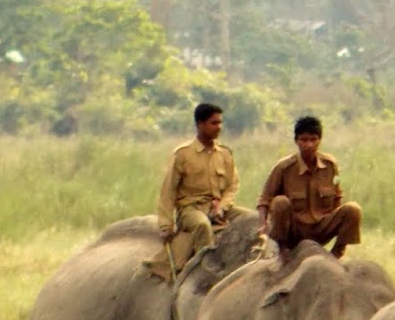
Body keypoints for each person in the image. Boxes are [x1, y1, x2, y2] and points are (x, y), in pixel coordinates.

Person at [147, 102, 239, 281]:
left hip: (219, 207)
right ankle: (208, 269)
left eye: (220, 123)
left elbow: (233, 185)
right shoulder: (183, 154)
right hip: (191, 210)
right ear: (200, 124)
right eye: (214, 123)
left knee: (251, 220)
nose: (219, 127)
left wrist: (222, 206)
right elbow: (168, 190)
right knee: (202, 226)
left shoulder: (225, 154)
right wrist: (166, 225)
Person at [255, 114, 362, 257]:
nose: (309, 145)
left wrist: (337, 224)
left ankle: (337, 253)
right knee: (280, 202)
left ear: (320, 140)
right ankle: (283, 252)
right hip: (295, 230)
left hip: (321, 227)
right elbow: (264, 200)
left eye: (313, 139)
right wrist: (263, 225)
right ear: (296, 141)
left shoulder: (330, 165)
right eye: (304, 140)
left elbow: (337, 196)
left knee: (353, 209)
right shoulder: (283, 168)